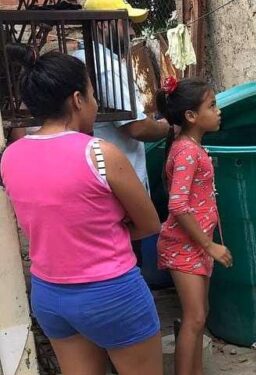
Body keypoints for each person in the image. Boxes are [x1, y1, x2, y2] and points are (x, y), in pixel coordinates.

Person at [0, 45, 162, 374]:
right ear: (77, 99)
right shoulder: (101, 154)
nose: (95, 103)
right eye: (91, 95)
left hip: (50, 296)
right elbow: (148, 224)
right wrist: (108, 231)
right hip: (112, 293)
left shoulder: (11, 156)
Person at [72, 13, 171, 266]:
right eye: (125, 23)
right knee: (125, 257)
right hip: (116, 181)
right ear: (103, 25)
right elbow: (136, 127)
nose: (130, 31)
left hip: (101, 177)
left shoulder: (85, 58)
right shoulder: (103, 66)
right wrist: (169, 128)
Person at [156, 77, 232, 375]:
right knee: (194, 318)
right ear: (190, 116)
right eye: (212, 106)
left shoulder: (189, 147)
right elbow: (177, 204)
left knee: (200, 317)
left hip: (195, 242)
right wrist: (208, 245)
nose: (218, 111)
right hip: (186, 244)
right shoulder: (187, 152)